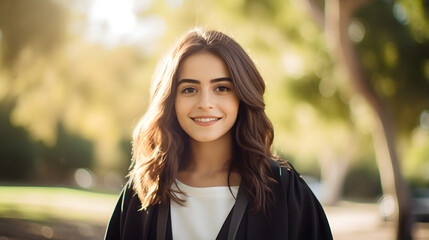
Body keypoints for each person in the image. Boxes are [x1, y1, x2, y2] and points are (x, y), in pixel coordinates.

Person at [105, 28, 333, 240]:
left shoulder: (284, 191)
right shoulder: (143, 192)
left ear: (242, 96)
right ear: (170, 100)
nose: (205, 103)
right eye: (189, 89)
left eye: (222, 88)